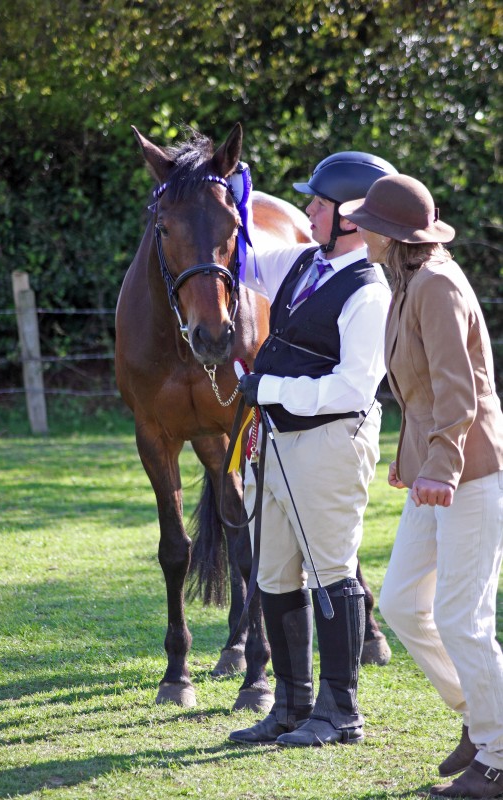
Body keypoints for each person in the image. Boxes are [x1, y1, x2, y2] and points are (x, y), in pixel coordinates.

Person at [340, 174, 503, 798]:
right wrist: (411, 458)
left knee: (463, 617)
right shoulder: (406, 282)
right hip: (435, 469)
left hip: (470, 471)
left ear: (391, 235)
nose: (358, 230)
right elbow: (419, 389)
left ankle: (497, 751)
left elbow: (459, 390)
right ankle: (483, 716)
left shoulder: (436, 284)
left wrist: (439, 464)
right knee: (405, 604)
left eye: (366, 224)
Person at [228, 151, 398, 747]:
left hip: (330, 442)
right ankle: (293, 704)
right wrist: (228, 199)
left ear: (351, 216)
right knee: (275, 572)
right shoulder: (304, 261)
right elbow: (243, 261)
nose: (308, 212)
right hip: (277, 441)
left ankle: (341, 710)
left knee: (331, 573)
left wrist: (270, 388)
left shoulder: (370, 293)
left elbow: (353, 387)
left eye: (320, 204)